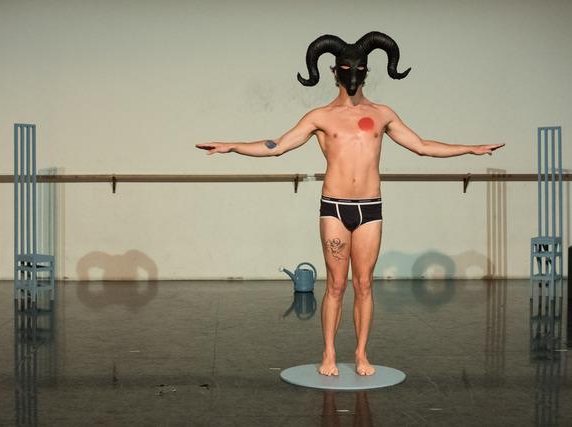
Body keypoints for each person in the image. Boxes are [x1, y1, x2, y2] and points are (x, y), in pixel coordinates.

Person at [196, 31, 504, 377]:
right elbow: (277, 146)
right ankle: (328, 353)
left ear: (367, 71)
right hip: (335, 207)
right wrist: (232, 146)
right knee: (336, 285)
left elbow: (421, 146)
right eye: (346, 69)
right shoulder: (320, 117)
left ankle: (360, 354)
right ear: (334, 71)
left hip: (370, 208)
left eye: (360, 69)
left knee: (364, 284)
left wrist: (469, 149)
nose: (353, 75)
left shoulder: (382, 114)